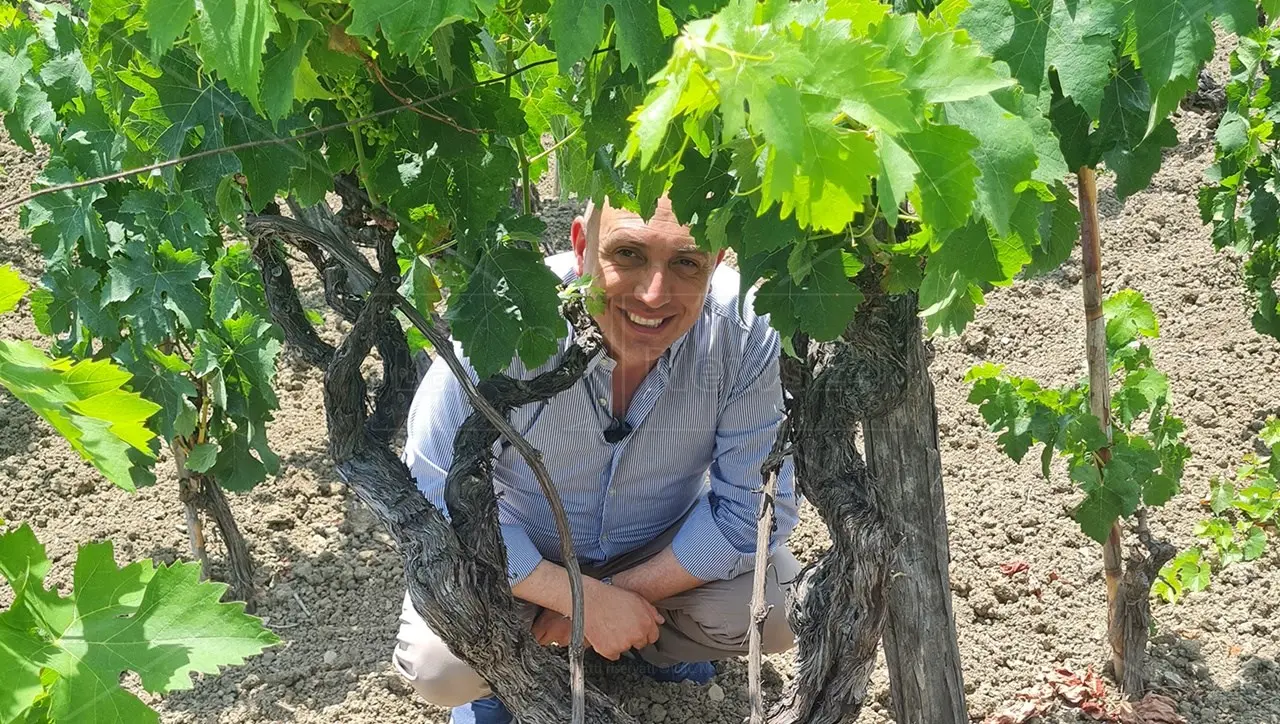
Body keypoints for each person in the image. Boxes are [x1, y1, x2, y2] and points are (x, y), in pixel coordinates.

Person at [393, 195, 801, 724]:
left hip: (652, 545)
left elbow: (754, 513)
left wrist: (603, 600)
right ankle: (505, 678)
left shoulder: (744, 334)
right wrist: (564, 595)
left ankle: (647, 645)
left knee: (781, 610)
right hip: (516, 552)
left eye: (686, 262)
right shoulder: (506, 318)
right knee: (439, 667)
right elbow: (435, 499)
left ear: (718, 260)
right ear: (582, 245)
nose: (655, 294)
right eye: (628, 254)